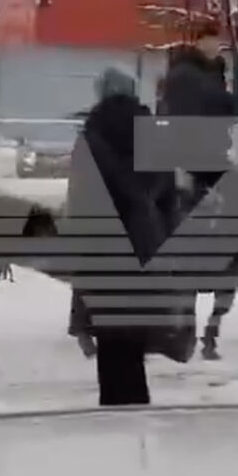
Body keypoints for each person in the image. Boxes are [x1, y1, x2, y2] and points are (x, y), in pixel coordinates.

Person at [64, 67, 192, 405]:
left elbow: (80, 204)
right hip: (147, 245)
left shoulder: (91, 138)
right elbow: (170, 201)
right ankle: (137, 411)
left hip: (102, 249)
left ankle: (115, 413)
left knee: (111, 345)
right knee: (135, 339)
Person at [159, 18, 238, 217]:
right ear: (198, 42)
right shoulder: (185, 74)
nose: (215, 45)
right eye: (209, 40)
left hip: (214, 152)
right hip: (193, 156)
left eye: (217, 40)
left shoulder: (213, 72)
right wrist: (228, 103)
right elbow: (195, 110)